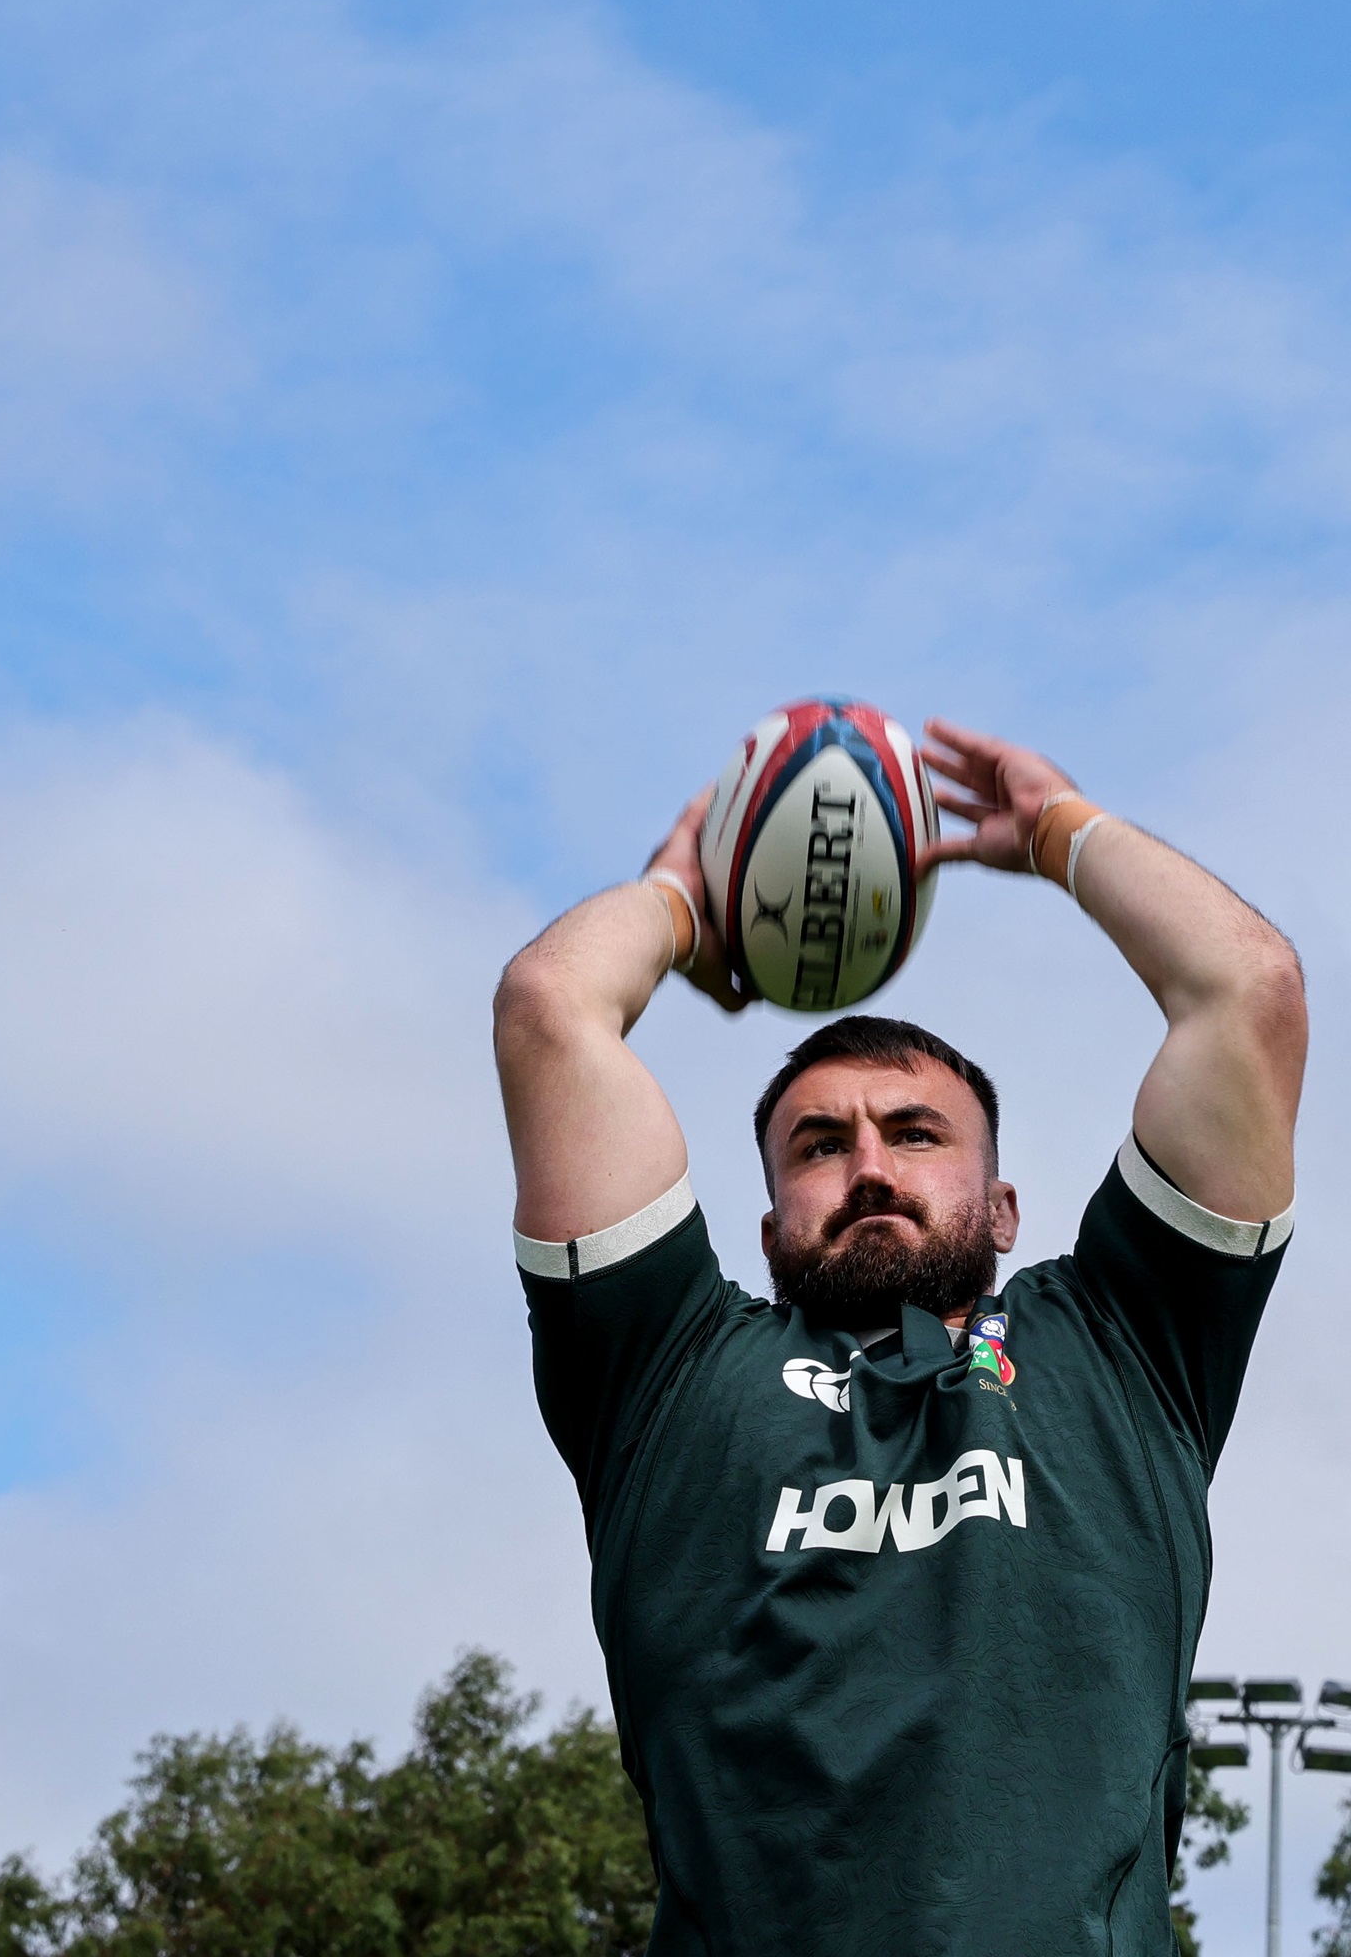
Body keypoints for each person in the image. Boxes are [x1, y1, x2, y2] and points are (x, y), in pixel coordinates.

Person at [494, 717, 1307, 1955]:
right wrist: (679, 894)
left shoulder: (1125, 1348)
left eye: (917, 1133)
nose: (870, 1164)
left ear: (1005, 1207)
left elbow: (1247, 993)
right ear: (768, 1227)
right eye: (821, 1145)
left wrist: (1058, 831)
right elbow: (554, 1008)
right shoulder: (665, 1374)